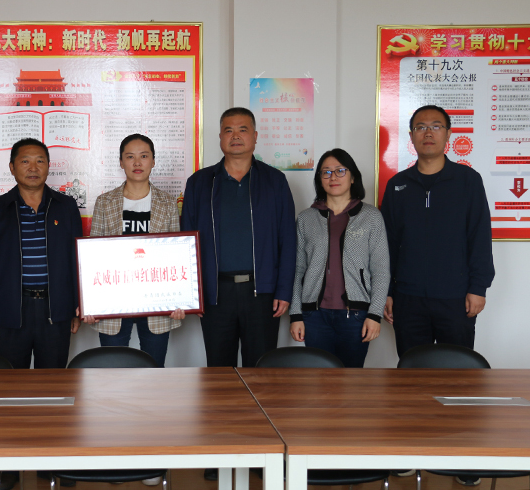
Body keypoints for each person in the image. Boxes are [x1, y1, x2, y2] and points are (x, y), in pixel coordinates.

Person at [181, 107, 296, 481]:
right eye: (228, 130)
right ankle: (220, 451)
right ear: (219, 137)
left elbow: (287, 239)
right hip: (216, 293)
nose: (235, 136)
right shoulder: (201, 182)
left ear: (255, 136)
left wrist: (283, 289)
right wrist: (193, 292)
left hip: (262, 293)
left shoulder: (274, 181)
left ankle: (263, 454)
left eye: (243, 129)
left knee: (261, 375)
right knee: (220, 375)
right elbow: (187, 239)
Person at [381, 105, 494, 358]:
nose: (428, 133)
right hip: (407, 297)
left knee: (456, 369)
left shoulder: (468, 180)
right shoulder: (398, 185)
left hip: (456, 297)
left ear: (448, 133)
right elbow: (387, 243)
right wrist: (386, 291)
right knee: (412, 369)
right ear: (411, 136)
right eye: (420, 127)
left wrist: (478, 288)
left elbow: (479, 237)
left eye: (436, 126)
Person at [0, 138, 82, 369]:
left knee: (53, 381)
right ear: (12, 167)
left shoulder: (66, 206)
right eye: (25, 161)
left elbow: (76, 261)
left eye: (40, 161)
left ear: (48, 166)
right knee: (10, 381)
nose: (33, 168)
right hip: (9, 310)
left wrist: (77, 306)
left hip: (56, 309)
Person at [82, 134, 184, 368]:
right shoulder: (105, 202)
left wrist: (180, 300)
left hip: (157, 302)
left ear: (153, 161)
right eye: (130, 157)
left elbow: (175, 257)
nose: (137, 163)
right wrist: (90, 302)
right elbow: (93, 257)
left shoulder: (168, 203)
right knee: (114, 370)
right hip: (113, 303)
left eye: (144, 156)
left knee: (154, 370)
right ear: (121, 162)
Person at [288, 149, 389, 367]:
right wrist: (296, 314)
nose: (333, 177)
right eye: (326, 172)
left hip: (356, 316)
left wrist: (374, 315)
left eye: (340, 171)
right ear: (319, 179)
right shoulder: (306, 219)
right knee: (318, 379)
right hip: (315, 316)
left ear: (352, 177)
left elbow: (381, 270)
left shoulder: (371, 217)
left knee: (351, 380)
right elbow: (297, 270)